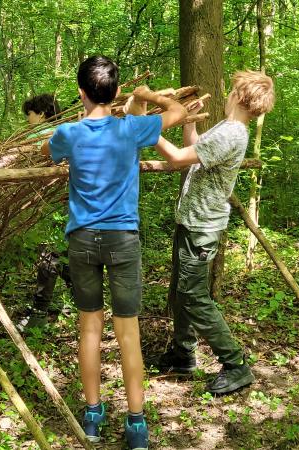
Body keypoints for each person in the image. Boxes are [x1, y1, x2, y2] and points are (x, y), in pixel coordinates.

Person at [41, 56, 187, 449]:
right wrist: (148, 95)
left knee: (89, 329)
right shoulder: (132, 129)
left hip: (83, 240)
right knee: (128, 333)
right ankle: (136, 423)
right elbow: (179, 111)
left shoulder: (69, 133)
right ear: (117, 91)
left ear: (81, 92)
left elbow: (47, 150)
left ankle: (92, 414)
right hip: (122, 239)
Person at [135, 71, 275, 395]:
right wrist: (189, 123)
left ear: (240, 96)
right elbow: (194, 153)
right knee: (180, 291)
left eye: (232, 89)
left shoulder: (232, 134)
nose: (226, 93)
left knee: (193, 296)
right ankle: (183, 354)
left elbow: (176, 160)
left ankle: (236, 364)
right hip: (192, 221)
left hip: (201, 229)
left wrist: (146, 130)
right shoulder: (227, 129)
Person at [16, 94, 73, 331]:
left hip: (51, 205)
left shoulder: (39, 136)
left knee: (49, 256)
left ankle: (39, 313)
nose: (28, 119)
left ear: (40, 113)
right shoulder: (64, 132)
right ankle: (82, 303)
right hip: (67, 203)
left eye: (29, 114)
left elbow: (17, 157)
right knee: (62, 255)